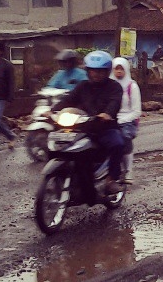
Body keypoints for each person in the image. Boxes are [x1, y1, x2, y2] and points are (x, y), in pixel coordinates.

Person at [51, 50, 125, 195]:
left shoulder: (114, 87)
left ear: (107, 71)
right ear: (88, 71)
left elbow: (114, 103)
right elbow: (68, 100)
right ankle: (65, 176)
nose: (96, 74)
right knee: (61, 144)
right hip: (83, 127)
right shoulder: (82, 86)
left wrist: (107, 114)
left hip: (105, 127)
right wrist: (51, 110)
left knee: (118, 144)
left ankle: (112, 179)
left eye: (100, 71)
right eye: (92, 71)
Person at [111, 57, 142, 185]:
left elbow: (136, 111)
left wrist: (122, 120)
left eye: (121, 69)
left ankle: (128, 171)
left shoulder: (131, 86)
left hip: (128, 120)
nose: (118, 72)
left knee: (124, 138)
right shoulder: (109, 85)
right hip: (111, 118)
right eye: (116, 69)